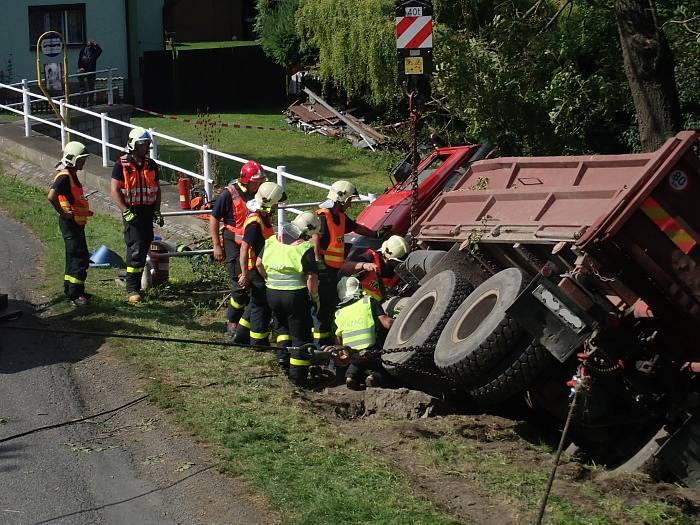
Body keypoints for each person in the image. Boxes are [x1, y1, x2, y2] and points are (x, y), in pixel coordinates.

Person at [311, 180, 390, 347]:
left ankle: (328, 343)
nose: (350, 204)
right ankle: (320, 346)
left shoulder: (339, 215)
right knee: (321, 309)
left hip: (334, 271)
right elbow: (315, 239)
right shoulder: (323, 216)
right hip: (323, 271)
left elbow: (356, 227)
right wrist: (318, 263)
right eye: (350, 200)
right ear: (342, 199)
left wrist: (376, 234)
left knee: (330, 306)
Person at [256, 212, 320, 385]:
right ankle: (298, 376)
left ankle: (282, 359)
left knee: (281, 326)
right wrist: (314, 297)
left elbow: (258, 264)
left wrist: (269, 279)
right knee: (300, 335)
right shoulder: (304, 249)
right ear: (307, 232)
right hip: (295, 295)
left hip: (272, 293)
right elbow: (311, 277)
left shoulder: (271, 241)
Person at [210, 160, 267, 336]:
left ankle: (248, 322)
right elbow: (214, 218)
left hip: (254, 243)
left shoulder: (259, 194)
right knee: (240, 286)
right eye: (257, 181)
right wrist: (216, 246)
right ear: (247, 180)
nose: (260, 184)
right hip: (234, 243)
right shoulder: (229, 194)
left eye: (261, 181)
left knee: (257, 284)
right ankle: (233, 320)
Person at [110, 127, 163, 304]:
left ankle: (138, 284)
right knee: (136, 249)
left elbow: (157, 189)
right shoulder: (121, 164)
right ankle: (132, 288)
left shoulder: (151, 164)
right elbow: (115, 190)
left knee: (145, 245)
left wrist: (157, 210)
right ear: (133, 145)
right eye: (142, 144)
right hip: (132, 212)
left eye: (147, 144)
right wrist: (125, 210)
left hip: (147, 211)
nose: (145, 147)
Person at [233, 181, 287, 346]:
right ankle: (258, 341)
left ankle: (241, 335)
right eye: (277, 202)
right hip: (256, 269)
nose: (279, 205)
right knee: (261, 305)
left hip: (260, 266)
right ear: (270, 203)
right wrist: (244, 273)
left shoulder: (264, 217)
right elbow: (244, 247)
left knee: (255, 302)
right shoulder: (255, 222)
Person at [47, 141, 93, 306]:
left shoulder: (70, 175)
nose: (84, 162)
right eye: (82, 159)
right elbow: (51, 196)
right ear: (73, 159)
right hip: (70, 223)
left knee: (73, 255)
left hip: (75, 223)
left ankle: (70, 290)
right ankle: (76, 294)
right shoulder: (65, 176)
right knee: (79, 257)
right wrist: (63, 213)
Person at [334, 276, 393, 389]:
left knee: (356, 364)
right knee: (381, 368)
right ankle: (373, 378)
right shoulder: (369, 301)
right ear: (359, 287)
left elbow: (337, 340)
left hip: (351, 352)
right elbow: (387, 323)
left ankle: (350, 377)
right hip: (371, 349)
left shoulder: (338, 312)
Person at [341, 235, 410, 301]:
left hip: (378, 305)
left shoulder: (397, 273)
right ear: (389, 257)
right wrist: (364, 265)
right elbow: (344, 267)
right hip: (356, 301)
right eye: (397, 261)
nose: (399, 264)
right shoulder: (368, 256)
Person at [77, 40, 102, 105]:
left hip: (91, 71)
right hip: (84, 69)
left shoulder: (94, 52)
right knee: (79, 73)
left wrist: (95, 44)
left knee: (91, 87)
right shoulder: (83, 51)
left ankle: (90, 102)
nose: (89, 47)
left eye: (91, 46)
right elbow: (79, 60)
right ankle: (82, 88)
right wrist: (80, 67)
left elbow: (100, 50)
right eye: (88, 45)